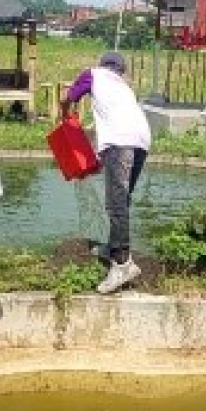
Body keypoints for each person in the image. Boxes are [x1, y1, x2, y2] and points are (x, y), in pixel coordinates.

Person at [61, 51, 152, 294]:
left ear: (102, 65)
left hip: (119, 142)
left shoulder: (93, 74)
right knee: (122, 199)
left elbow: (67, 97)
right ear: (121, 71)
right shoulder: (124, 87)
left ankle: (122, 263)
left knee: (116, 203)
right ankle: (114, 245)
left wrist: (65, 119)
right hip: (142, 139)